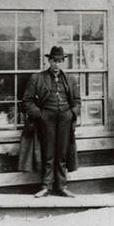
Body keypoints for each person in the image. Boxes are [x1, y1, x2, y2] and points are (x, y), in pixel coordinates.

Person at [22, 45, 80, 198]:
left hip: (65, 119)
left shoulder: (70, 79)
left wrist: (71, 113)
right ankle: (46, 187)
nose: (57, 64)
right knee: (48, 153)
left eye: (60, 61)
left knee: (62, 153)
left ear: (63, 62)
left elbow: (77, 101)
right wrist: (40, 114)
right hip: (46, 118)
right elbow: (27, 100)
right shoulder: (37, 78)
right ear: (49, 61)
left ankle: (61, 187)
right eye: (54, 61)